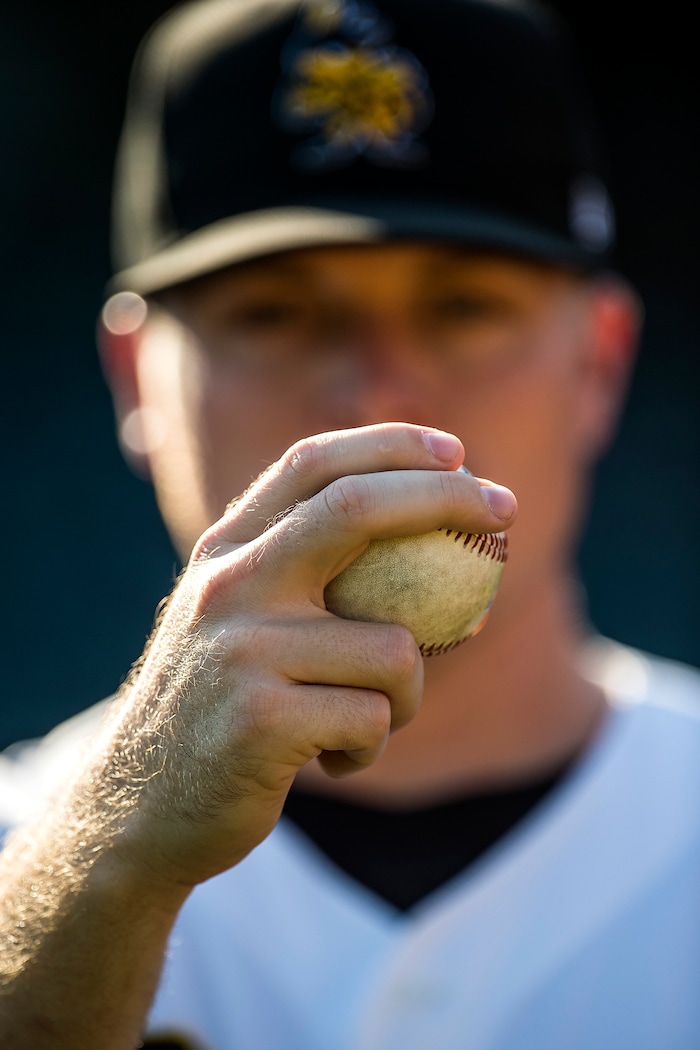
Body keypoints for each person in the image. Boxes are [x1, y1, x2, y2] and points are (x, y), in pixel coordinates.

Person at [1, 0, 699, 1047]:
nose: (378, 397)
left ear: (598, 363)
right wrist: (105, 877)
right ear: (135, 377)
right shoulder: (23, 850)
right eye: (274, 312)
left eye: (463, 306)